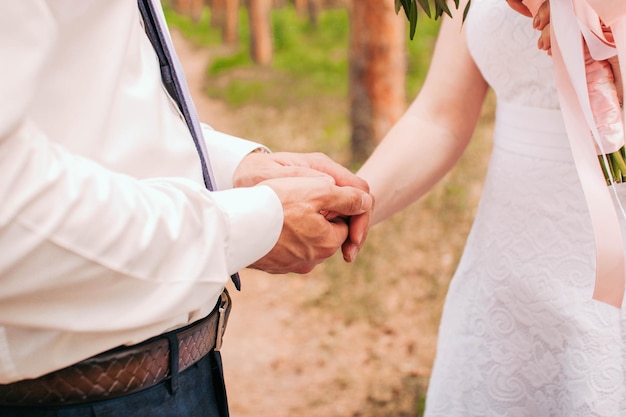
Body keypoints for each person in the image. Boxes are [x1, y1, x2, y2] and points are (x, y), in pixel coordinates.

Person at [0, 1, 372, 416]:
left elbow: (94, 100)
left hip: (181, 375)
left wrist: (237, 169)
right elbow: (9, 209)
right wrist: (247, 226)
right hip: (70, 397)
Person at [357, 0, 626, 415]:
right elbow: (439, 118)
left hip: (608, 258)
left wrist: (600, 40)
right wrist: (356, 201)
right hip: (504, 268)